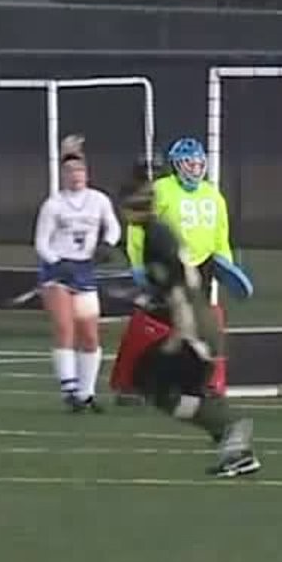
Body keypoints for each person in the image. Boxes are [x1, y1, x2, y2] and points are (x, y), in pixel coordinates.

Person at [111, 163, 260, 478]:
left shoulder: (154, 239)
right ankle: (232, 444)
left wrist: (182, 335)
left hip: (195, 325)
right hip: (198, 320)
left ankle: (230, 430)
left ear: (128, 209)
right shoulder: (159, 233)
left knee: (156, 383)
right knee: (159, 382)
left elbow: (180, 287)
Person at [112, 137, 252, 399]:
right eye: (189, 163)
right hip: (166, 264)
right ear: (177, 165)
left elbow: (221, 236)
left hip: (201, 266)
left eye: (199, 163)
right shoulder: (162, 189)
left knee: (202, 324)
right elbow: (137, 229)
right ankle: (129, 381)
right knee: (154, 320)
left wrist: (226, 266)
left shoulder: (213, 195)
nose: (195, 168)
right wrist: (139, 265)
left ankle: (204, 383)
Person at [35, 135, 122, 413]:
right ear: (63, 175)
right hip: (58, 272)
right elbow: (41, 242)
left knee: (90, 336)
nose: (76, 175)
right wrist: (57, 263)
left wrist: (106, 246)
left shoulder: (98, 200)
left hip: (85, 272)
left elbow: (113, 227)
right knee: (64, 327)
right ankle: (69, 388)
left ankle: (87, 392)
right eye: (71, 171)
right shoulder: (53, 205)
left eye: (80, 170)